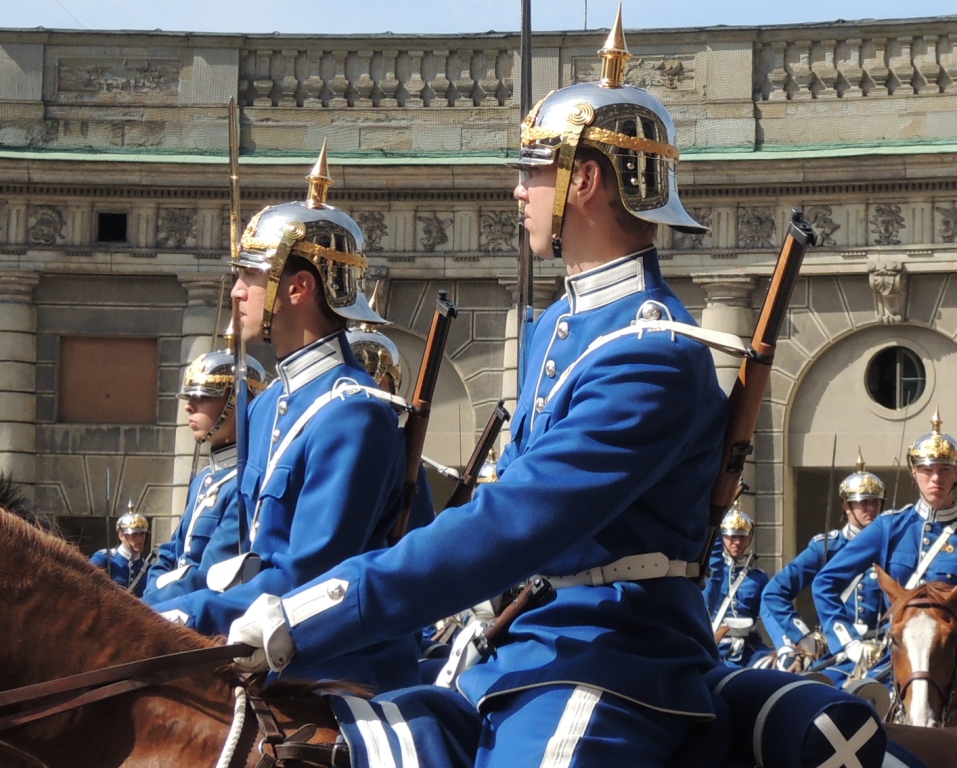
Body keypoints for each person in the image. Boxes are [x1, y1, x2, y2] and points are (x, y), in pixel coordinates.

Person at [227, 13, 730, 767]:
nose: (518, 190)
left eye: (533, 170)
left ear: (583, 180)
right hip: (524, 647)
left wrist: (315, 609)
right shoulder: (562, 324)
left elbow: (514, 521)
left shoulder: (650, 352)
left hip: (611, 658)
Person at [152, 144, 426, 692]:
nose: (236, 291)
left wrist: (185, 617)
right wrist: (161, 605)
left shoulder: (354, 414)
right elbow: (235, 557)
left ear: (298, 288)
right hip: (254, 648)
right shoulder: (267, 403)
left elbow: (308, 576)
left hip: (332, 673)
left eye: (250, 276)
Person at [814, 409, 957, 733]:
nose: (935, 478)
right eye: (927, 470)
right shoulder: (889, 528)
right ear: (915, 473)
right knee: (833, 728)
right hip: (895, 662)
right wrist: (849, 642)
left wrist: (944, 646)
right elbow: (826, 581)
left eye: (944, 470)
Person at [141, 348, 268, 605]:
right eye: (189, 396)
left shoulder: (247, 482)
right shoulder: (203, 480)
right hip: (166, 608)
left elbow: (210, 575)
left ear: (238, 402)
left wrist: (148, 607)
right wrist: (147, 598)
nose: (189, 406)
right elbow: (169, 554)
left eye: (202, 397)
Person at [762, 452, 884, 673]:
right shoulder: (826, 547)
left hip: (881, 652)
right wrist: (804, 637)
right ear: (846, 506)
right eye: (863, 502)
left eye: (875, 501)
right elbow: (773, 593)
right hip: (837, 654)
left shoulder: (890, 547)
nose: (871, 508)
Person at [702, 506, 771, 668]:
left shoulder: (759, 577)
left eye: (742, 537)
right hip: (717, 644)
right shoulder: (711, 573)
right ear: (722, 537)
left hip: (750, 647)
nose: (738, 542)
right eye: (732, 536)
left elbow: (770, 611)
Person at [90, 510, 151, 597]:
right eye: (134, 534)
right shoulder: (103, 559)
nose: (139, 539)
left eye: (142, 534)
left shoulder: (148, 568)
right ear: (121, 535)